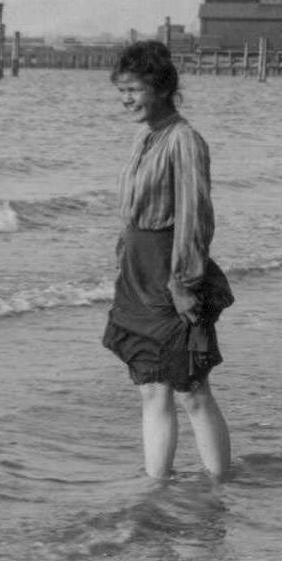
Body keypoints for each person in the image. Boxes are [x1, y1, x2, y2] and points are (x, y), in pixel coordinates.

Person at [103, 40, 232, 479]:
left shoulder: (184, 140)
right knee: (150, 391)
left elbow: (195, 217)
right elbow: (132, 216)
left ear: (160, 88)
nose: (126, 100)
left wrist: (184, 283)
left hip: (170, 275)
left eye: (133, 90)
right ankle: (156, 490)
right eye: (121, 91)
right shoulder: (145, 137)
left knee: (192, 389)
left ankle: (220, 489)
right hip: (137, 278)